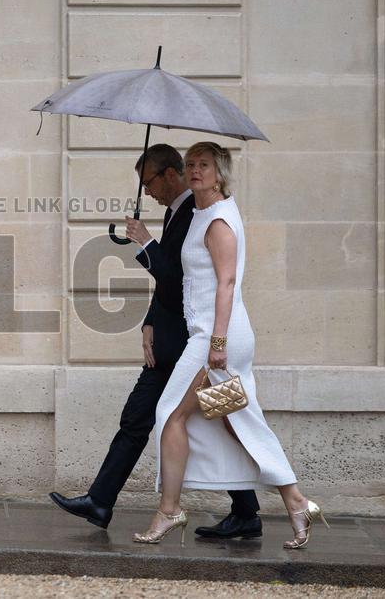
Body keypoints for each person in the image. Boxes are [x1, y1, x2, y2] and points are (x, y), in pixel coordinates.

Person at [48, 143, 261, 538]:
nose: (146, 192)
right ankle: (101, 500)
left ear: (169, 175)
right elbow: (175, 283)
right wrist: (149, 319)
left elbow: (181, 279)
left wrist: (145, 242)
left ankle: (267, 503)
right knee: (147, 418)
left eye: (149, 183)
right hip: (173, 340)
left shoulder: (198, 211)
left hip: (191, 344)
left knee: (225, 419)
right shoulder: (178, 210)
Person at [131, 142, 328, 550]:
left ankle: (169, 509)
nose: (195, 170)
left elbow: (227, 283)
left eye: (204, 165)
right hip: (210, 336)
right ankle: (297, 502)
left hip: (216, 340)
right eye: (190, 164)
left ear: (220, 173)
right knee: (236, 421)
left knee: (170, 415)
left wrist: (217, 343)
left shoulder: (218, 219)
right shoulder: (201, 213)